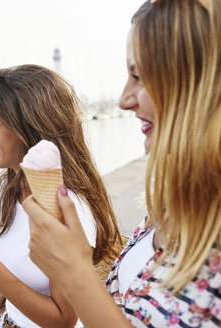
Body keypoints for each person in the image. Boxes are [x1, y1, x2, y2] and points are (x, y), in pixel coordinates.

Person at [22, 0, 221, 327]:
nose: (124, 99)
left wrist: (74, 273)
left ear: (203, 84)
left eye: (139, 76)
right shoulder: (167, 206)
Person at [0, 64, 122, 328]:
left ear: (28, 126)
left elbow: (64, 320)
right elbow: (5, 274)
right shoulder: (13, 187)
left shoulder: (67, 206)